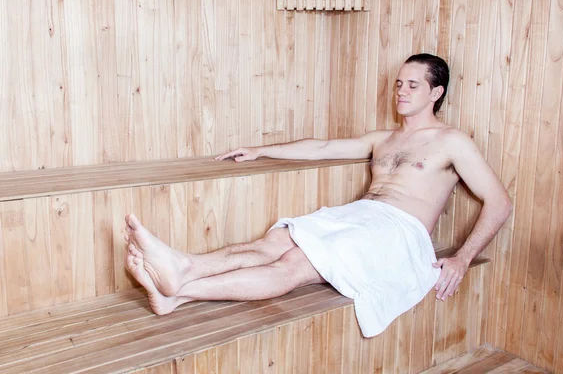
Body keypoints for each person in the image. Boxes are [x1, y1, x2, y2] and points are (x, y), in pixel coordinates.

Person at [123, 53, 511, 337]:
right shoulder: (384, 139)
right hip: (359, 217)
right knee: (273, 242)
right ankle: (181, 277)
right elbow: (322, 148)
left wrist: (461, 258)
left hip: (397, 233)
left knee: (292, 265)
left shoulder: (452, 141)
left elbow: (500, 202)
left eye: (413, 85)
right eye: (398, 83)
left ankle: (182, 283)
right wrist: (261, 150)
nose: (401, 91)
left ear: (436, 92)